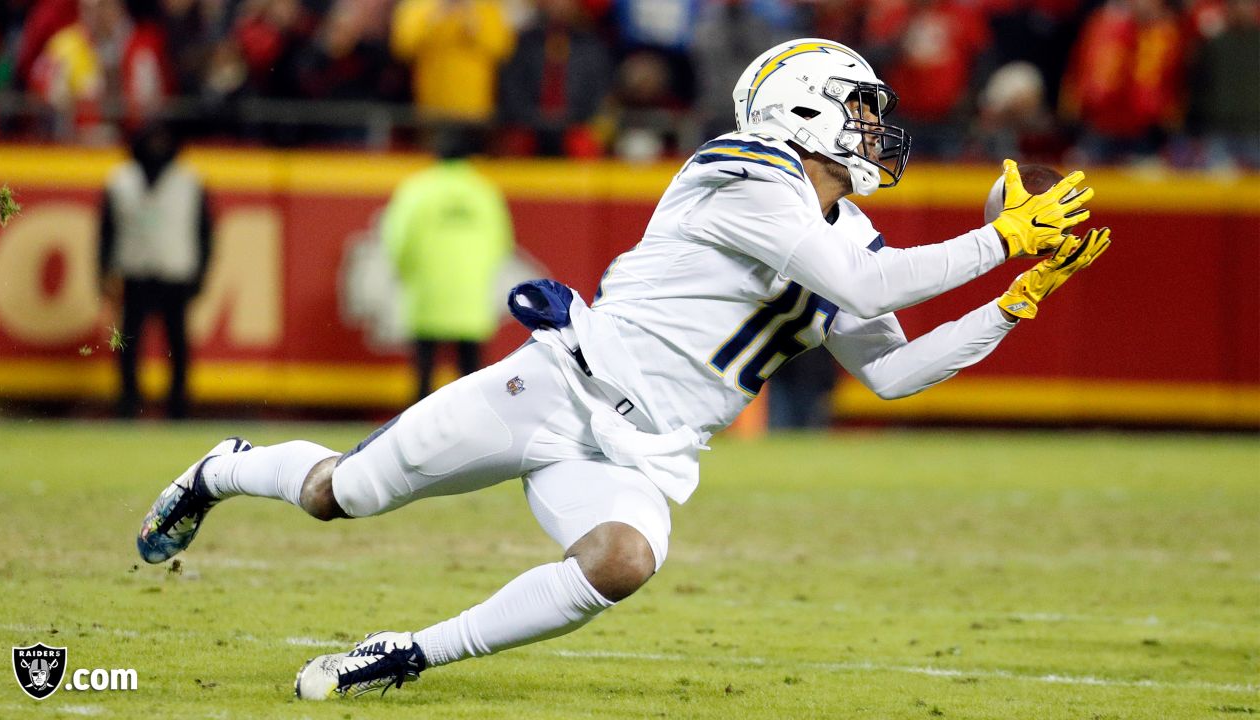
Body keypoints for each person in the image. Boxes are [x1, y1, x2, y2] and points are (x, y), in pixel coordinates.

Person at [135, 38, 1109, 699]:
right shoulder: (744, 170)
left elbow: (891, 370)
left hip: (640, 456)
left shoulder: (844, 231)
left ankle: (405, 657)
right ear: (801, 106)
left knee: (622, 562)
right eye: (857, 107)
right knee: (338, 493)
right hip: (558, 389)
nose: (871, 128)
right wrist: (1000, 243)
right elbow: (860, 286)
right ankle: (221, 467)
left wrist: (1015, 299)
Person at [380, 126, 515, 402]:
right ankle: (474, 429)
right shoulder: (484, 191)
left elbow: (397, 238)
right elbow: (502, 242)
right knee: (472, 377)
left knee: (423, 375)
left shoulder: (417, 189)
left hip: (427, 292)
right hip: (470, 295)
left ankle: (416, 433)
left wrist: (407, 271)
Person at [100, 121, 212, 419]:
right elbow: (106, 231)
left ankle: (178, 406)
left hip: (175, 270)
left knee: (177, 344)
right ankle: (127, 403)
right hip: (134, 270)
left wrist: (202, 272)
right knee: (129, 343)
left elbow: (205, 230)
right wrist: (103, 271)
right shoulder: (120, 179)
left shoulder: (189, 179)